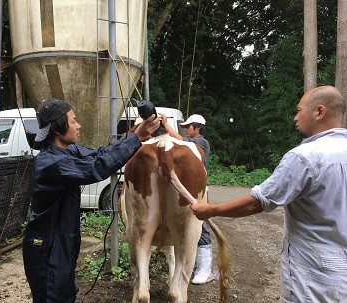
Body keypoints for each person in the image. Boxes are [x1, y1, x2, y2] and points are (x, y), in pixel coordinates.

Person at [191, 85, 347, 302]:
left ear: (319, 112)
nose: (295, 117)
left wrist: (211, 209)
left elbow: (258, 202)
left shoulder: (304, 157)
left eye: (299, 110)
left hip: (312, 277)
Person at [22, 98, 161, 303]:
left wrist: (133, 135)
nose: (78, 125)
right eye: (73, 121)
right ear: (58, 127)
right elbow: (97, 168)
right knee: (54, 296)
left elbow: (100, 154)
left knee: (65, 294)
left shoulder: (67, 151)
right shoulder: (50, 163)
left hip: (61, 242)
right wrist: (136, 138)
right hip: (47, 248)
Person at [160, 113, 218, 284]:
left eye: (188, 127)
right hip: (187, 188)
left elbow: (183, 143)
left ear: (197, 128)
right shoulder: (193, 142)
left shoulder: (200, 143)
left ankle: (205, 269)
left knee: (201, 226)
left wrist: (166, 126)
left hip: (197, 190)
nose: (185, 130)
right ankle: (196, 267)